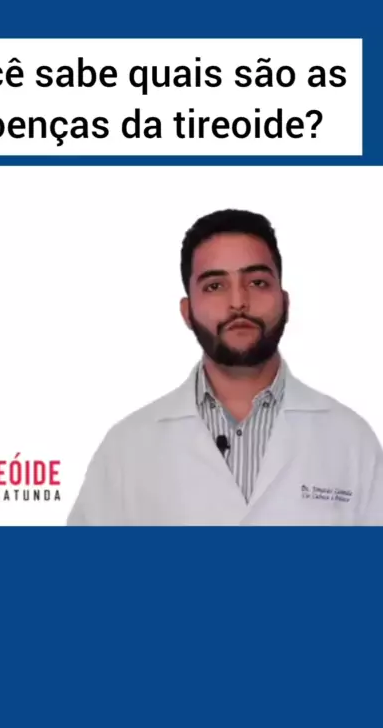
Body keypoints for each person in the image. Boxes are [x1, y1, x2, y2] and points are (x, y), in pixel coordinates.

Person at [67, 209, 383, 526]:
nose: (238, 302)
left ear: (285, 301)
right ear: (187, 311)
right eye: (214, 286)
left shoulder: (351, 440)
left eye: (257, 282)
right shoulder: (127, 448)